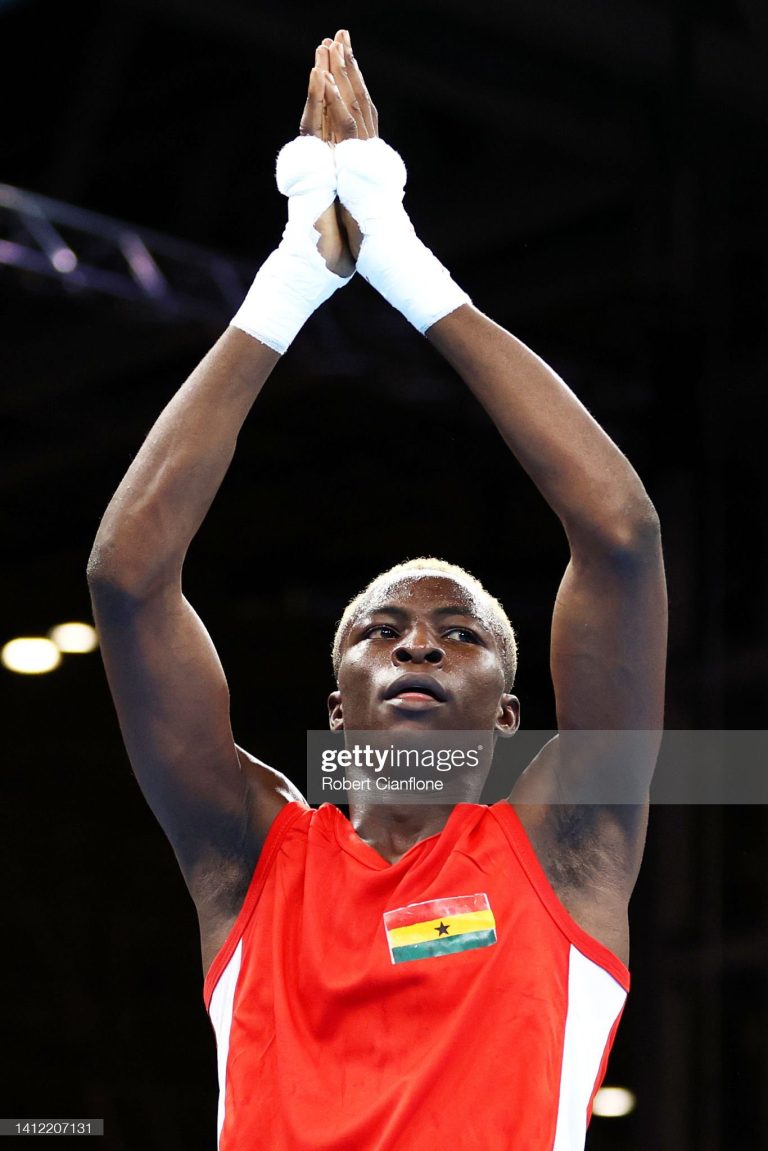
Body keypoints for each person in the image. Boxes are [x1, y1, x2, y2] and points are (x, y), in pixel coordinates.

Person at [87, 28, 667, 1151]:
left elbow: (623, 538)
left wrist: (399, 261)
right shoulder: (250, 858)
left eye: (458, 633)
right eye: (384, 629)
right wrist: (295, 270)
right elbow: (127, 576)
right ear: (338, 696)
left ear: (509, 715)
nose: (417, 646)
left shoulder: (567, 844)